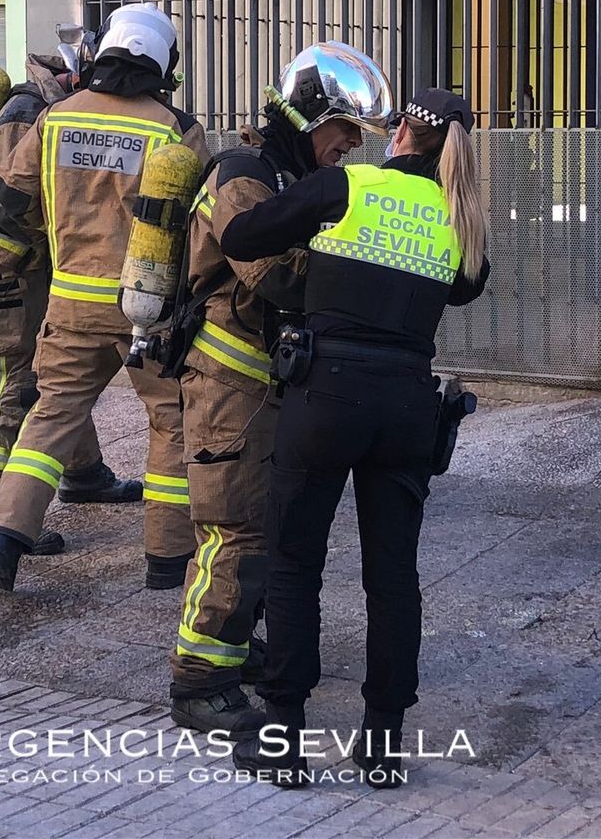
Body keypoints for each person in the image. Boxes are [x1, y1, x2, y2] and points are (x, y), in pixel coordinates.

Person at [225, 89, 490, 787]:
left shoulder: (345, 184)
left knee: (294, 565)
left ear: (401, 130)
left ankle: (284, 736)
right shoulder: (460, 218)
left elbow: (240, 236)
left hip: (325, 395)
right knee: (393, 577)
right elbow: (462, 291)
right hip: (407, 407)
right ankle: (382, 744)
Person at [169, 42, 393, 738]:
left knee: (265, 528)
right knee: (234, 530)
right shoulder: (244, 178)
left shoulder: (286, 176)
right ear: (305, 118)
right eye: (344, 129)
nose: (353, 145)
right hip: (230, 385)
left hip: (265, 380)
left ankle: (234, 647)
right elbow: (275, 275)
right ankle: (200, 680)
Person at [0, 3, 209, 593]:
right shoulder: (175, 127)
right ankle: (165, 561)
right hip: (150, 308)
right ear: (164, 62)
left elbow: (10, 199)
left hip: (69, 303)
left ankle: (5, 541)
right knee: (169, 422)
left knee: (51, 415)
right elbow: (201, 221)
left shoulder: (54, 117)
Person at [0, 29, 141, 554]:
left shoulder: (63, 109)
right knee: (13, 374)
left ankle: (84, 474)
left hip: (49, 258)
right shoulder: (26, 112)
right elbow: (9, 203)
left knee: (64, 368)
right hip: (14, 262)